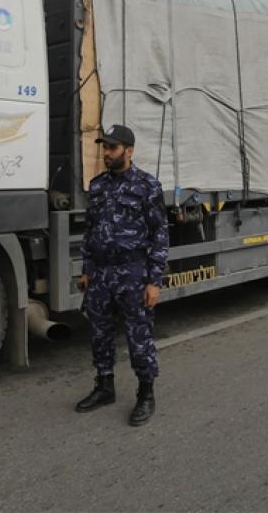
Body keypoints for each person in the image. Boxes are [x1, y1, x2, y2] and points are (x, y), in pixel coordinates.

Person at [74, 124, 169, 426]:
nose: (106, 153)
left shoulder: (147, 186)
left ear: (128, 150)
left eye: (112, 148)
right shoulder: (98, 185)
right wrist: (87, 270)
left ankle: (145, 394)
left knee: (137, 337)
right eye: (104, 147)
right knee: (99, 333)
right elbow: (89, 232)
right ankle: (104, 387)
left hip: (133, 273)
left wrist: (154, 281)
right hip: (101, 273)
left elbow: (160, 235)